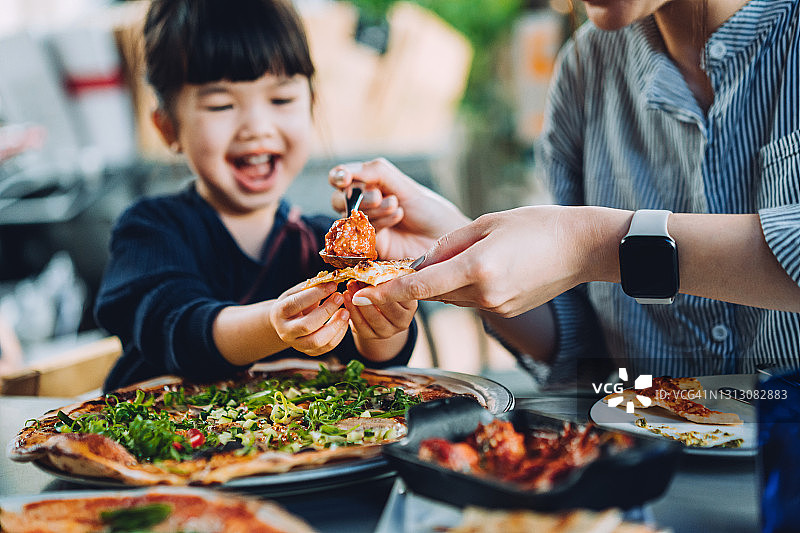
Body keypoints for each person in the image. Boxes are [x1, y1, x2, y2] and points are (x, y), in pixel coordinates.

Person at [327, 0, 800, 382]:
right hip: (644, 464)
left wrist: (594, 243)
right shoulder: (585, 66)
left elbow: (587, 250)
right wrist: (463, 247)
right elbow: (585, 346)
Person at [94, 0, 417, 391]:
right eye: (221, 104)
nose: (257, 127)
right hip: (156, 439)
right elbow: (177, 327)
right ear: (168, 128)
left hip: (303, 447)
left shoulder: (318, 244)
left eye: (281, 100)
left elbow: (376, 360)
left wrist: (384, 321)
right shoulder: (149, 231)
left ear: (312, 107)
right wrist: (274, 325)